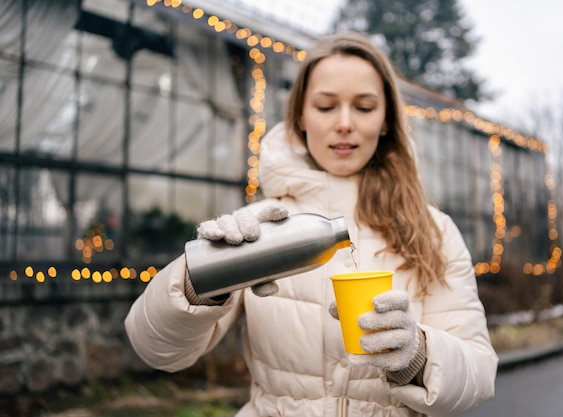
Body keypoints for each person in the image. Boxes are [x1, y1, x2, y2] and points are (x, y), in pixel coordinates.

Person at [125, 32, 497, 417]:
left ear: (386, 120)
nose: (344, 124)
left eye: (365, 107)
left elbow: (479, 375)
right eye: (325, 106)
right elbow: (157, 350)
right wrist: (197, 279)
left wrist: (417, 354)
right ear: (301, 116)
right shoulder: (261, 225)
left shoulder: (433, 230)